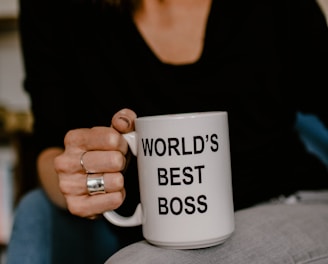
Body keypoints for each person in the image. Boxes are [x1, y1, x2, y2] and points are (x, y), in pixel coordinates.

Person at [6, 0, 328, 263]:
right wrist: (79, 181)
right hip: (149, 235)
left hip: (290, 203)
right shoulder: (57, 10)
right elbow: (49, 145)